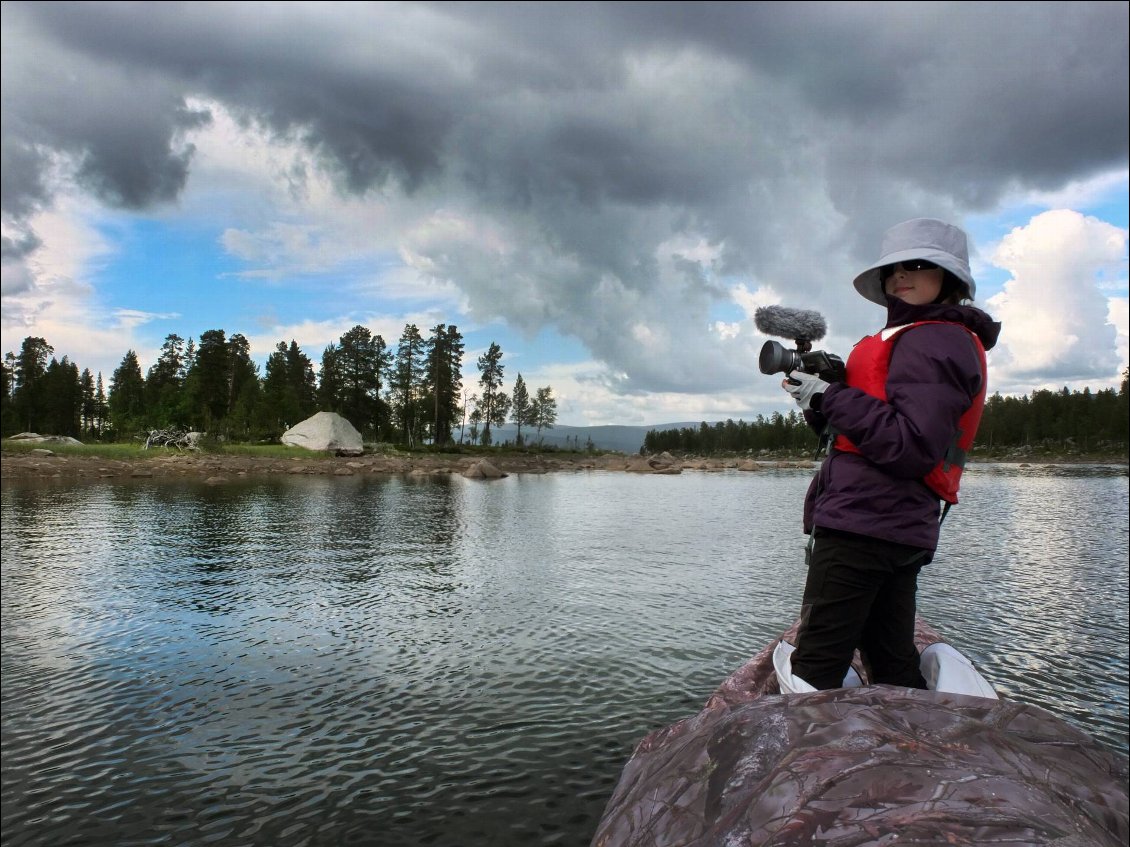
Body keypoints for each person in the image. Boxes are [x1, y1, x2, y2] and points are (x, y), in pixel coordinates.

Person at [779, 218, 1001, 690]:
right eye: (894, 267)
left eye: (919, 265)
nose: (902, 274)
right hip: (894, 525)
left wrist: (830, 397)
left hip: (865, 523)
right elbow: (858, 435)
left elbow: (909, 446)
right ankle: (913, 748)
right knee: (891, 656)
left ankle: (806, 760)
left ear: (950, 280)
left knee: (815, 665)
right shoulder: (926, 337)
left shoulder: (932, 339)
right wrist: (819, 398)